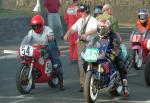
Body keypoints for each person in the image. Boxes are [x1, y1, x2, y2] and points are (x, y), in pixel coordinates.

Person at [21, 15, 64, 91]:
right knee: (29, 59)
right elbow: (27, 40)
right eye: (34, 26)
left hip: (47, 47)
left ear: (42, 24)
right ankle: (31, 82)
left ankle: (60, 82)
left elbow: (51, 38)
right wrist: (22, 46)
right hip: (37, 49)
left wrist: (50, 40)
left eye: (38, 26)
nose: (36, 28)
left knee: (54, 58)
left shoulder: (48, 30)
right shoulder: (31, 32)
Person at [90, 19, 129, 97]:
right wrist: (87, 49)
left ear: (108, 28)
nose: (101, 30)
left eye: (103, 28)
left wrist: (114, 52)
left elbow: (116, 46)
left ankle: (125, 87)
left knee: (120, 64)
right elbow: (90, 44)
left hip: (114, 51)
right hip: (102, 53)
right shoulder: (96, 36)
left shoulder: (113, 35)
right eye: (100, 28)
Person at [64, 4, 98, 92]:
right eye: (80, 11)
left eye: (82, 11)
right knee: (81, 63)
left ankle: (94, 80)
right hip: (81, 44)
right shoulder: (80, 20)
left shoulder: (93, 20)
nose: (81, 13)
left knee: (92, 62)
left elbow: (96, 29)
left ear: (87, 11)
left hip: (90, 43)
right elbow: (73, 29)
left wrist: (87, 33)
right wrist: (67, 34)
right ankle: (83, 84)